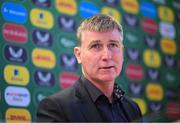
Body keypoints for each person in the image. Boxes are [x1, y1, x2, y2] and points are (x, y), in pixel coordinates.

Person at [36, 14, 142, 122]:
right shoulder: (55, 108)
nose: (107, 56)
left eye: (113, 45)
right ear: (78, 55)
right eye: (95, 46)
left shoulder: (133, 108)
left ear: (122, 52)